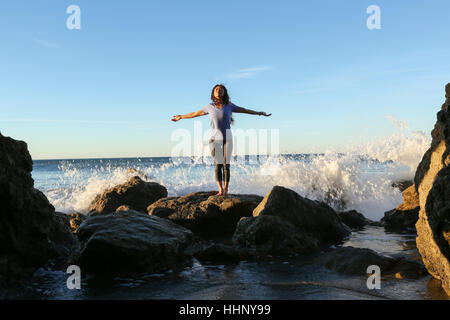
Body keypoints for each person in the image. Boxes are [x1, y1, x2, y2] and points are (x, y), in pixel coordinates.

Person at [171, 84, 272, 196]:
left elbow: (245, 110)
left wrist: (259, 113)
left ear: (224, 93)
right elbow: (194, 114)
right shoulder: (209, 106)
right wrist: (181, 116)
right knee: (217, 165)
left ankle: (226, 189)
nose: (218, 91)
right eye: (216, 89)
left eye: (220, 90)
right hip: (214, 139)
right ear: (213, 93)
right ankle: (220, 190)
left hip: (227, 139)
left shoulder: (229, 106)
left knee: (226, 165)